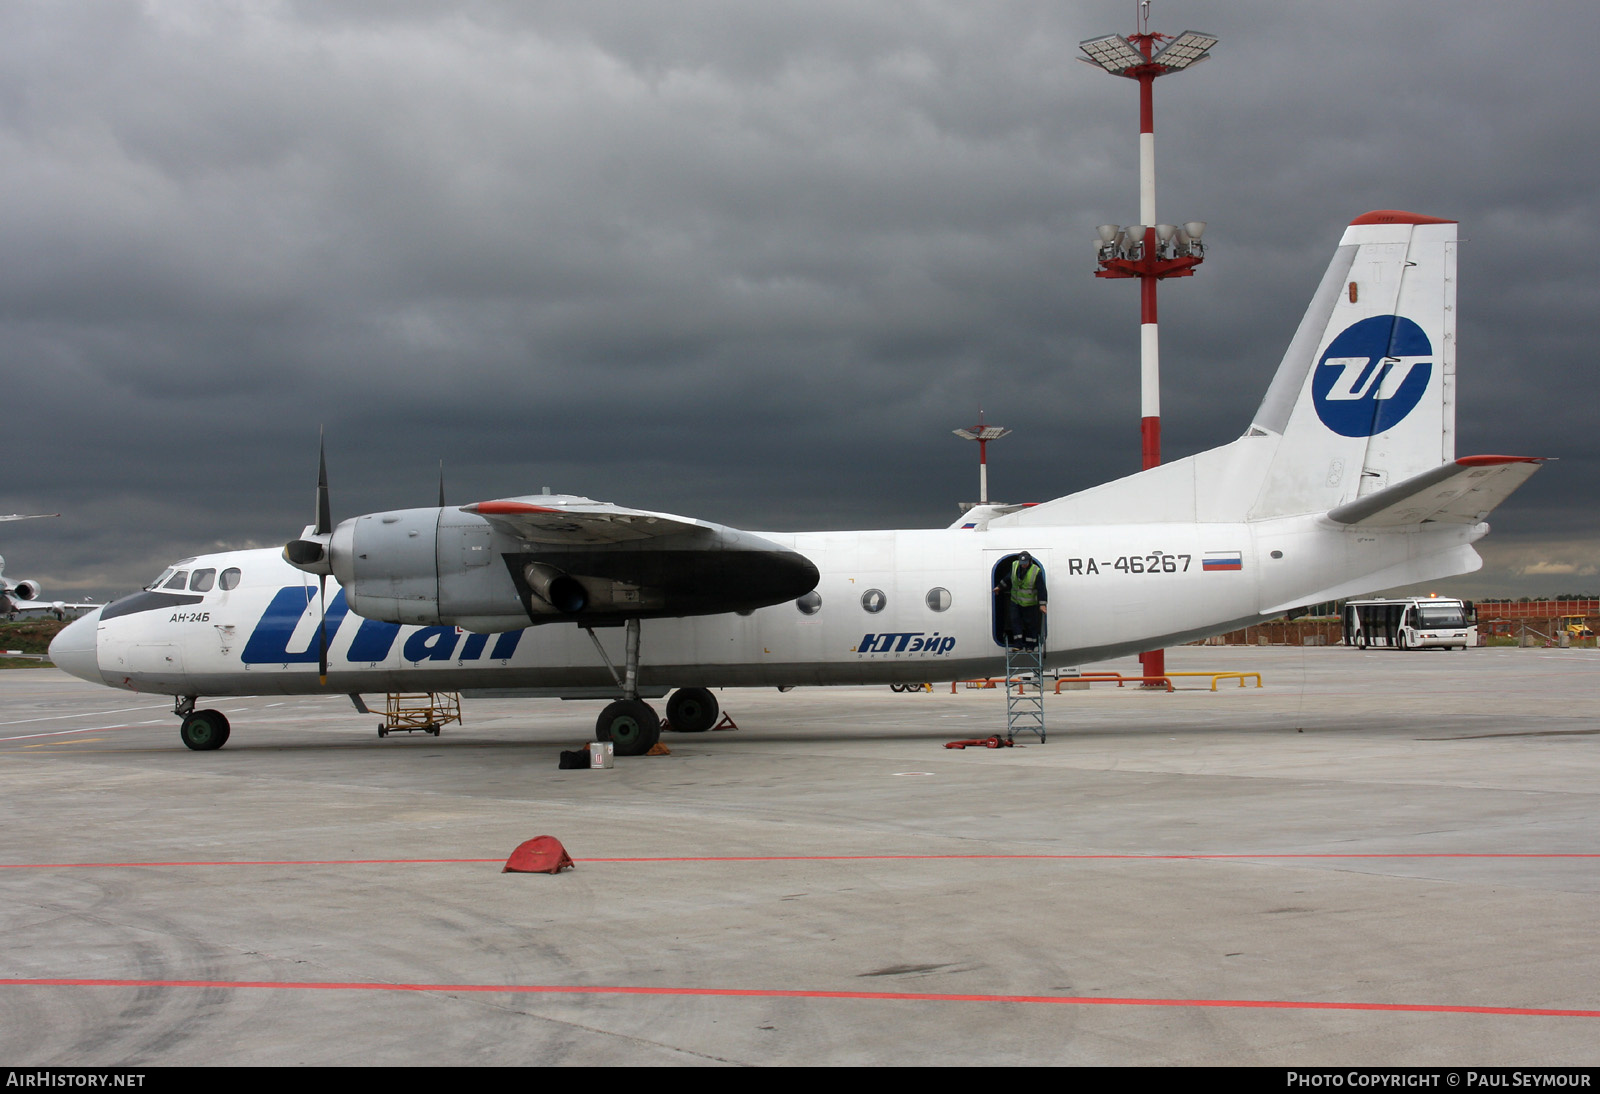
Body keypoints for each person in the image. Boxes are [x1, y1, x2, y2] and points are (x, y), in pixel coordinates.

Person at [994, 551, 1047, 649]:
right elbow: (1008, 578)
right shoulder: (1015, 566)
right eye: (1022, 563)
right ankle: (1018, 644)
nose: (1023, 565)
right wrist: (999, 587)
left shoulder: (1036, 571)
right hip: (1015, 601)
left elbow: (1041, 589)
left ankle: (1030, 646)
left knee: (1030, 624)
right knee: (1015, 622)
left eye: (1025, 563)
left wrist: (1042, 604)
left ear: (1030, 561)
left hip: (1029, 603)